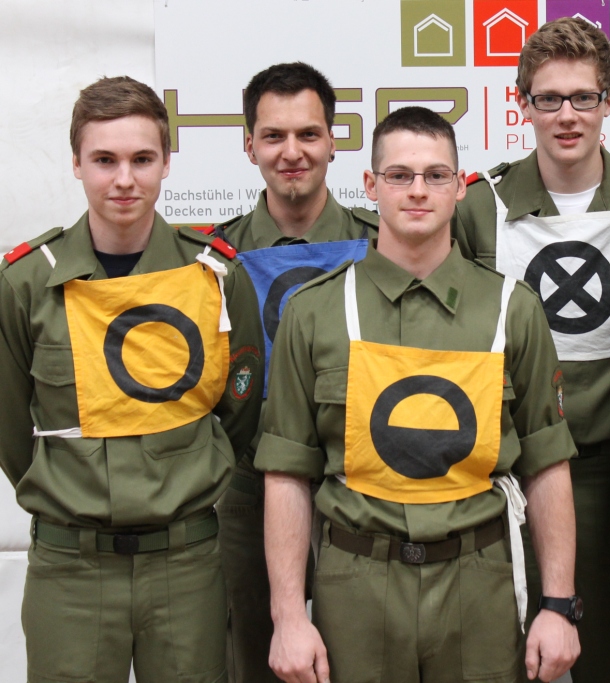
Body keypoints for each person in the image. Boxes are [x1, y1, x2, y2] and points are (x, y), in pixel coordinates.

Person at [257, 106, 580, 683]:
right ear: (370, 185)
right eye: (399, 175)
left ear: (460, 187)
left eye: (435, 175)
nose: (417, 191)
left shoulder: (513, 309)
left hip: (480, 585)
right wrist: (288, 616)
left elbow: (547, 461)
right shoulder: (312, 312)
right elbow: (286, 473)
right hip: (355, 586)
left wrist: (558, 605)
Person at [0, 76, 263, 683]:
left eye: (142, 159)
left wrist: (184, 475)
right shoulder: (26, 285)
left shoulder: (216, 278)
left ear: (167, 162)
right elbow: (11, 428)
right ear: (76, 164)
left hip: (186, 564)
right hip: (70, 568)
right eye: (105, 160)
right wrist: (69, 490)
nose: (124, 179)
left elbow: (238, 411)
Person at [454, 17, 610, 681]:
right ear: (521, 103)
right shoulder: (477, 208)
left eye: (583, 97)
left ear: (608, 100)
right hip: (507, 482)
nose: (567, 115)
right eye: (549, 98)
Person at [215, 61, 379, 683]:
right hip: (248, 490)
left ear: (334, 141)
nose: (292, 152)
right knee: (255, 658)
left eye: (308, 134)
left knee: (362, 660)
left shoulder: (384, 245)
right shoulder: (214, 259)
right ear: (249, 144)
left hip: (362, 484)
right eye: (274, 136)